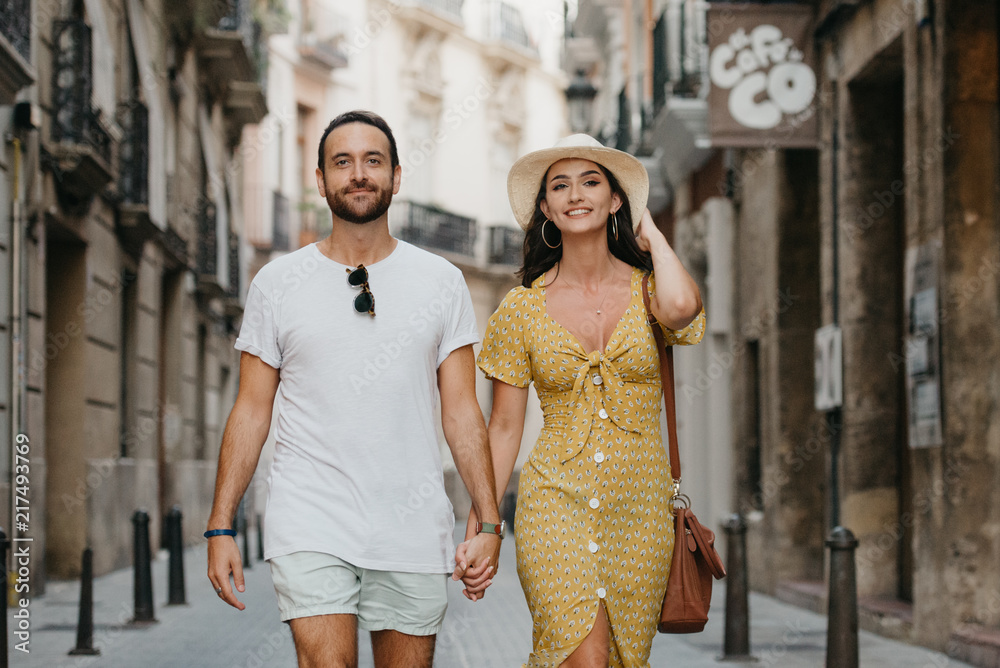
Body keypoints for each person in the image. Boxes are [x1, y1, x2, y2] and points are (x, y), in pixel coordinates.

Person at [206, 110, 502, 668]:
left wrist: (488, 521)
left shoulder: (441, 282)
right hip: (309, 518)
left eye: (373, 161)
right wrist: (221, 523)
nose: (358, 174)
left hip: (411, 523)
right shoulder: (276, 283)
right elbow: (250, 410)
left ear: (395, 174)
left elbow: (462, 411)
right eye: (342, 162)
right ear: (320, 180)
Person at [467, 134, 706, 667]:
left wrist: (652, 234)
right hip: (554, 503)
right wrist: (484, 524)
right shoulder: (520, 311)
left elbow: (684, 308)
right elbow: (503, 428)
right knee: (583, 661)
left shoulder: (651, 292)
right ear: (547, 209)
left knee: (623, 660)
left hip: (639, 511)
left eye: (592, 181)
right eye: (560, 185)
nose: (576, 194)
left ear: (615, 200)